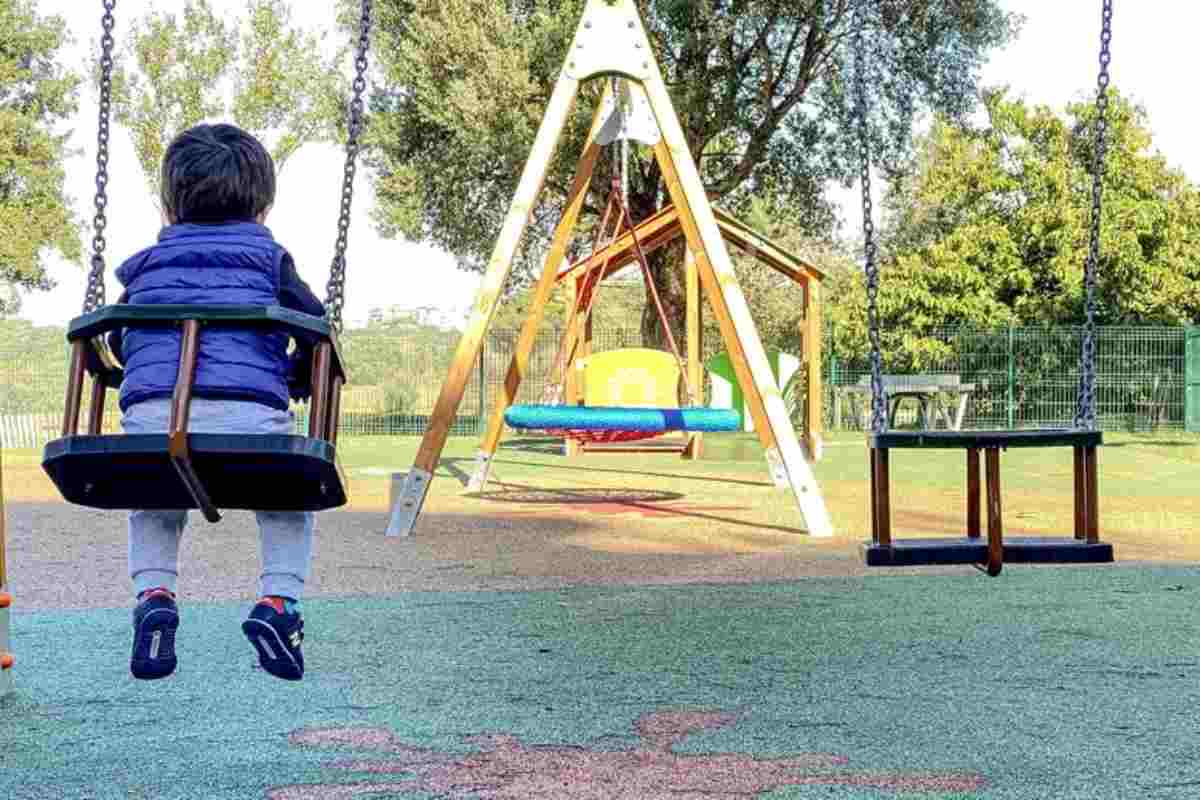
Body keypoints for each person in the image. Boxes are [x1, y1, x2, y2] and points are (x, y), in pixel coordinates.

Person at [107, 124, 322, 682]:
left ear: (169, 202)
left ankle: (155, 595)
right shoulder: (270, 261)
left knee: (153, 497)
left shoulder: (146, 265)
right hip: (251, 421)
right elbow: (314, 322)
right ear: (263, 205)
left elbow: (114, 339)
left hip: (155, 421)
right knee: (285, 500)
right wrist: (298, 371)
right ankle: (278, 604)